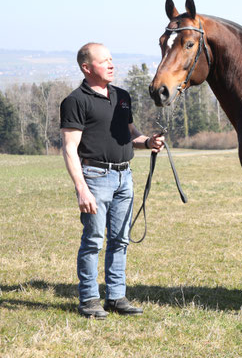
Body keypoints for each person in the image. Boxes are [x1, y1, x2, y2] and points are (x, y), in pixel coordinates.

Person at [60, 42, 164, 319]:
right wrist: (82, 189)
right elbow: (70, 149)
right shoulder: (75, 101)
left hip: (124, 177)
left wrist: (149, 142)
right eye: (103, 60)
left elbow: (130, 134)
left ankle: (116, 297)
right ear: (86, 67)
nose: (111, 64)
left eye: (111, 59)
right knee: (93, 240)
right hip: (94, 177)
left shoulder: (122, 95)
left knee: (120, 240)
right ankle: (89, 299)